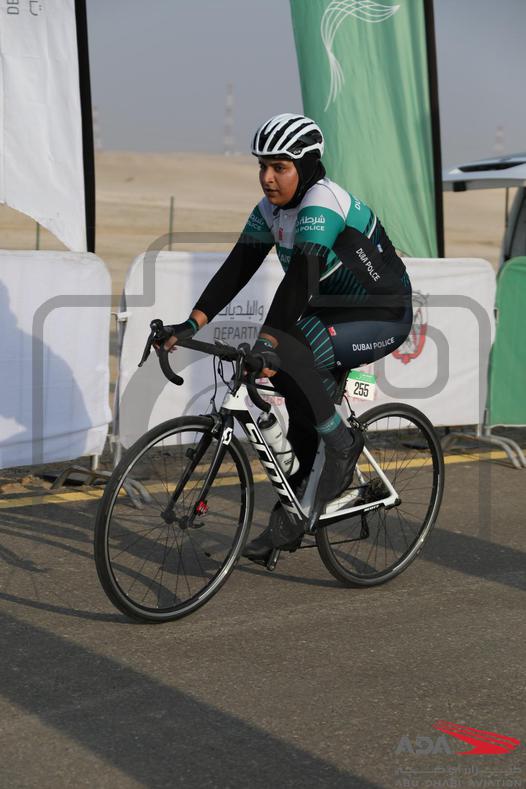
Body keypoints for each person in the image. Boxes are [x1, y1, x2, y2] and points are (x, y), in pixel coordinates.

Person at [163, 113, 413, 564]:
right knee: (289, 387)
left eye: (280, 167)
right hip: (328, 311)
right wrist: (191, 324)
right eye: (263, 166)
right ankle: (301, 507)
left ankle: (342, 446)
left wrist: (267, 341)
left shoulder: (323, 202)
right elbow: (238, 267)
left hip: (380, 312)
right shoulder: (270, 210)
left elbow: (299, 279)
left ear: (307, 166)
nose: (267, 177)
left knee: (289, 351)